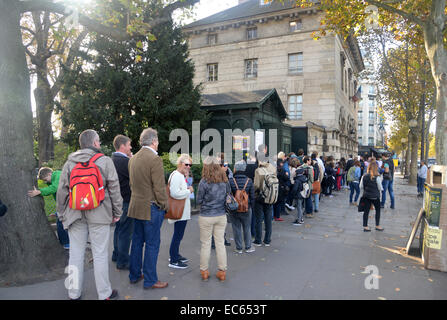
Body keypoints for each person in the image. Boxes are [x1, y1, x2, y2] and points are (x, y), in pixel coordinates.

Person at [57, 129, 122, 300]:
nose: (99, 144)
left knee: (75, 254)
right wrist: (117, 212)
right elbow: (114, 188)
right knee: (100, 254)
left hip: (75, 213)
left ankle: (73, 293)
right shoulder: (105, 161)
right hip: (100, 213)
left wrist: (61, 213)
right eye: (98, 141)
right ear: (94, 143)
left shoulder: (69, 162)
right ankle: (104, 294)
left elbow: (62, 191)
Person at [128, 128, 169, 289]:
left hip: (136, 205)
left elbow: (133, 184)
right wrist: (164, 205)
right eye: (157, 141)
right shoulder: (154, 159)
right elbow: (159, 188)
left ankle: (135, 275)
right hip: (151, 207)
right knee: (152, 244)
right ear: (153, 141)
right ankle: (151, 280)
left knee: (137, 241)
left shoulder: (133, 158)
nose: (157, 144)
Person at [197, 156, 229, 282]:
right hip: (221, 215)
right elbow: (228, 196)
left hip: (206, 215)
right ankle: (222, 271)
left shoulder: (203, 182)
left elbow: (199, 200)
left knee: (206, 244)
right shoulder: (224, 180)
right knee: (220, 243)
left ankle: (204, 271)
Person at [28, 167, 69, 249]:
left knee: (61, 223)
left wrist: (40, 191)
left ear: (50, 174)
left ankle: (66, 243)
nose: (46, 182)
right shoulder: (53, 179)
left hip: (70, 202)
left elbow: (55, 188)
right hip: (66, 204)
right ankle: (66, 242)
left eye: (45, 179)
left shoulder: (58, 175)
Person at [111, 135, 133, 270]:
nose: (131, 147)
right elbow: (135, 178)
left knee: (118, 229)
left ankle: (116, 254)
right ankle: (123, 261)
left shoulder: (113, 160)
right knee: (126, 231)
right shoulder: (124, 162)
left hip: (117, 201)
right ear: (122, 146)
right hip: (126, 200)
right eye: (129, 145)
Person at [167, 154, 193, 269]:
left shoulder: (179, 175)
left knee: (178, 235)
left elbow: (179, 190)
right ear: (180, 163)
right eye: (186, 164)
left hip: (181, 210)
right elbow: (175, 193)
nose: (188, 167)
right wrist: (189, 191)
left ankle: (175, 255)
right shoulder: (177, 175)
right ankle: (173, 260)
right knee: (178, 235)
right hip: (180, 211)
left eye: (190, 165)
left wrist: (186, 180)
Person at [228, 160, 255, 253]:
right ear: (244, 169)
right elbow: (252, 196)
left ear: (235, 169)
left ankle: (238, 248)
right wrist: (249, 206)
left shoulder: (231, 181)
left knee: (236, 228)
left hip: (234, 209)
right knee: (247, 227)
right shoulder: (249, 181)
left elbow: (228, 195)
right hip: (246, 208)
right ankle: (248, 247)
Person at [253, 148, 277, 247]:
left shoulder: (258, 170)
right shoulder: (272, 168)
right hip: (271, 196)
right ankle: (267, 240)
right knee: (268, 219)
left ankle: (258, 240)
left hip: (260, 197)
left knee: (258, 219)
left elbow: (256, 185)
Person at [359, 161, 384, 232]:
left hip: (366, 196)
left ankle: (365, 226)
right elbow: (380, 188)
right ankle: (377, 225)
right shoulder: (377, 177)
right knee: (378, 210)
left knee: (366, 211)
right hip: (375, 196)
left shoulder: (364, 176)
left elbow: (361, 186)